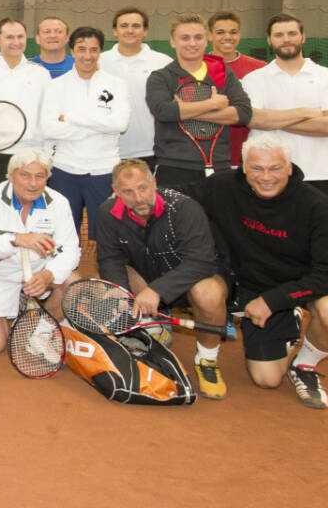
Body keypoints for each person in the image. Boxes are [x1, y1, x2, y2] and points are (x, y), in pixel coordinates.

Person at [191, 136, 328, 409]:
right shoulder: (223, 187)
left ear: (289, 167)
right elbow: (181, 192)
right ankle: (285, 323)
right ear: (243, 167)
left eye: (275, 168)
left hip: (300, 285)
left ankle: (304, 366)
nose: (266, 177)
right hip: (252, 285)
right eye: (257, 168)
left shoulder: (317, 206)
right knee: (266, 379)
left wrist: (275, 301)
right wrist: (137, 194)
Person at [90, 159, 229, 399]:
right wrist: (120, 292)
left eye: (143, 188)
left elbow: (201, 261)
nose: (138, 198)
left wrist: (158, 290)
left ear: (154, 183)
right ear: (116, 192)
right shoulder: (106, 214)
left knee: (209, 292)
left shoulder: (185, 208)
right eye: (128, 192)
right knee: (104, 284)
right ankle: (153, 326)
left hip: (188, 282)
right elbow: (110, 259)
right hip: (145, 280)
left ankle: (207, 361)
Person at [0, 148, 79, 355]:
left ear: (47, 179)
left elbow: (71, 250)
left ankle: (42, 332)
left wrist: (49, 274)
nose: (33, 183)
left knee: (72, 282)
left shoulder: (60, 203)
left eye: (40, 176)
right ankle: (18, 305)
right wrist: (16, 239)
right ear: (11, 177)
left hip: (39, 272)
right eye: (25, 175)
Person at [242, 13, 328, 224]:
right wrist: (306, 112)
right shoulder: (253, 79)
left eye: (292, 33)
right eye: (279, 34)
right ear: (269, 40)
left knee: (322, 250)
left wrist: (273, 120)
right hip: (268, 179)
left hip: (319, 175)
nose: (286, 39)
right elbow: (254, 120)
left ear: (303, 37)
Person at [146, 14, 252, 192]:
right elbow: (163, 112)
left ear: (206, 40)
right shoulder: (160, 77)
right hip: (173, 168)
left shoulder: (224, 73)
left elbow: (243, 113)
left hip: (219, 167)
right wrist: (213, 104)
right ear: (173, 41)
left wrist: (183, 110)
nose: (192, 43)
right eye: (185, 38)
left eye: (198, 37)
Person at [38, 27, 129, 231]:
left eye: (93, 50)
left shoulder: (116, 84)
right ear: (72, 51)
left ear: (100, 52)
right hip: (64, 171)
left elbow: (120, 124)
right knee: (63, 234)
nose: (87, 56)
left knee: (108, 234)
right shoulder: (56, 86)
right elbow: (48, 128)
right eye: (81, 49)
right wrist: (100, 125)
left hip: (105, 171)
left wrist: (70, 118)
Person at [0, 18, 49, 186]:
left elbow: (47, 119)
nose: (16, 42)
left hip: (32, 155)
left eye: (20, 37)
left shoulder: (41, 74)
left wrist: (47, 157)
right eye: (9, 37)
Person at [98, 7, 171, 170]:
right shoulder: (99, 62)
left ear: (145, 31)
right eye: (124, 26)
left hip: (152, 151)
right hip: (107, 152)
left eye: (136, 26)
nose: (130, 30)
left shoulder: (163, 63)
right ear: (115, 31)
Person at [207, 11, 266, 167]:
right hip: (212, 154)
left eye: (233, 32)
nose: (228, 37)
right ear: (209, 36)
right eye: (220, 32)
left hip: (250, 156)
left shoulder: (259, 68)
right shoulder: (196, 67)